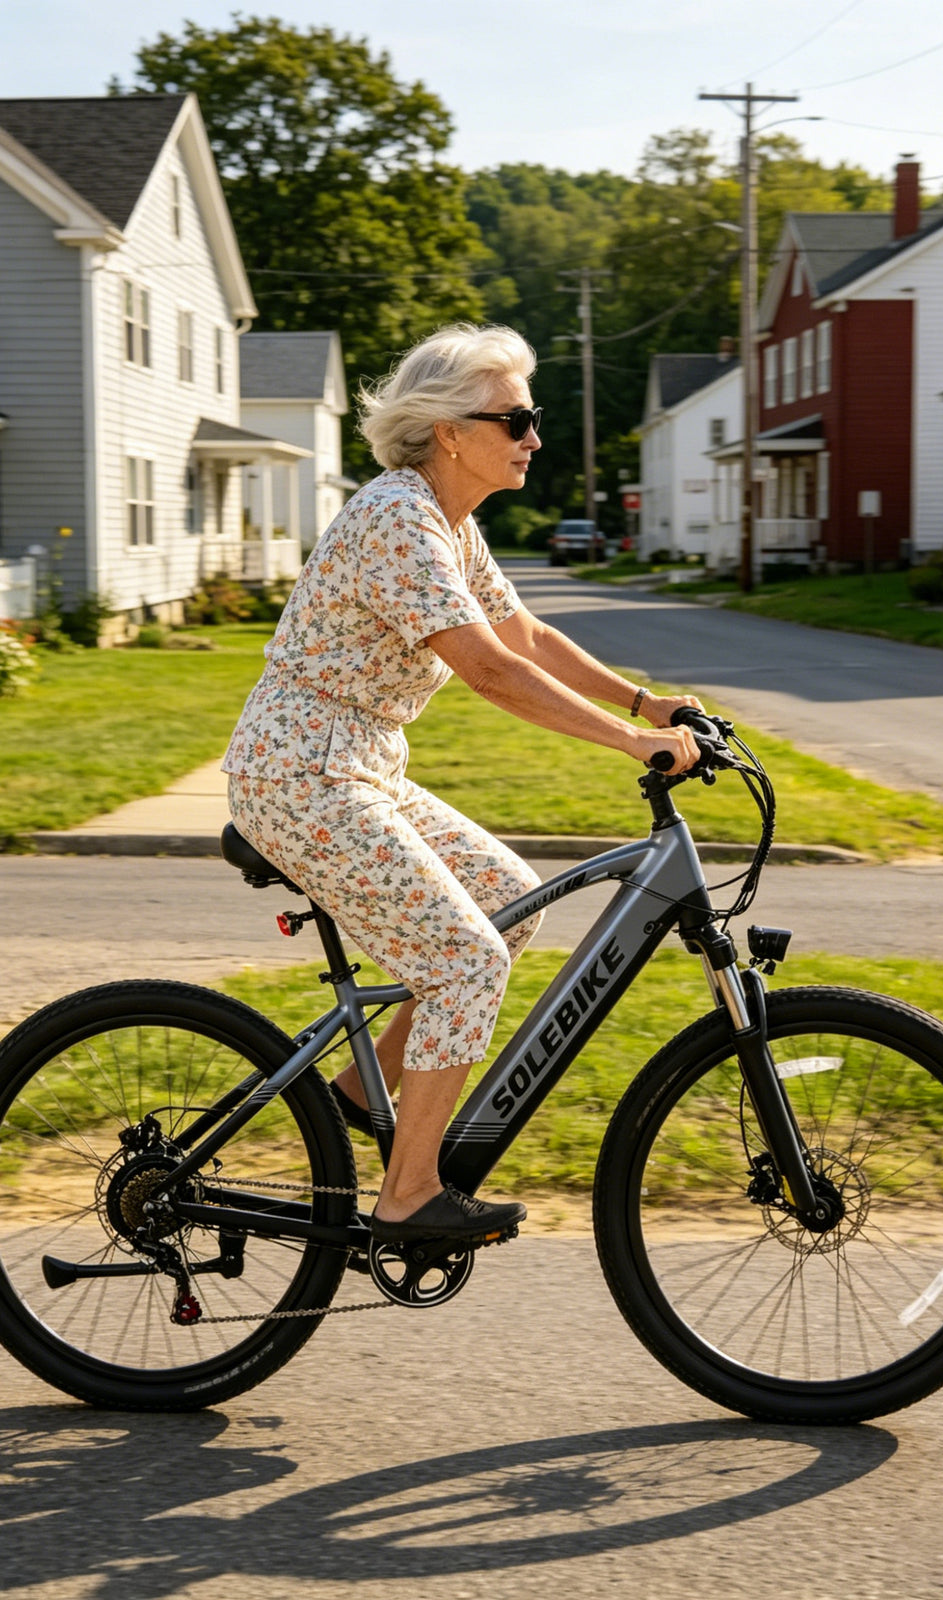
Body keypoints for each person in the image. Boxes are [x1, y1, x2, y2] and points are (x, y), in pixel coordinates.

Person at [223, 322, 702, 1246]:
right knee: (463, 962)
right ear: (449, 431)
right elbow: (487, 668)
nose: (534, 437)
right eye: (514, 420)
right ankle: (408, 1196)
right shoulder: (397, 518)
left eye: (533, 418)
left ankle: (354, 1095)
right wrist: (628, 741)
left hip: (360, 761)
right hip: (303, 772)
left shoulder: (450, 521)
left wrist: (648, 704)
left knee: (509, 905)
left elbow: (526, 636)